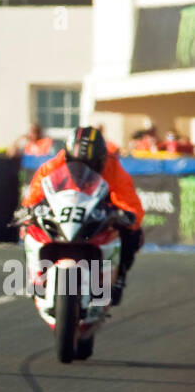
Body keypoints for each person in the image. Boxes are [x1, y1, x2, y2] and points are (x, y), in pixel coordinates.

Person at [20, 126, 143, 306]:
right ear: (67, 157)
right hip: (64, 211)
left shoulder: (113, 168)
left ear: (101, 160)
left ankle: (118, 278)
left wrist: (127, 216)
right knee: (28, 228)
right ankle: (36, 276)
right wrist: (28, 209)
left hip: (96, 213)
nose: (82, 169)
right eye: (76, 163)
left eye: (90, 164)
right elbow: (36, 190)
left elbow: (130, 204)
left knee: (134, 234)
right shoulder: (56, 163)